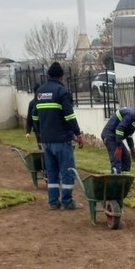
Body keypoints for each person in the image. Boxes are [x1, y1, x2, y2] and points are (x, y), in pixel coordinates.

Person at [32, 62, 85, 210]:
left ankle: (53, 201)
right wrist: (78, 134)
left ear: (48, 75)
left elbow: (34, 117)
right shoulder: (62, 92)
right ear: (62, 77)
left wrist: (41, 133)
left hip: (46, 141)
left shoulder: (40, 92)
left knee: (52, 171)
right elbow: (69, 116)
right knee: (67, 171)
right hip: (61, 140)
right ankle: (67, 202)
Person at [100, 105, 135, 174]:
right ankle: (115, 180)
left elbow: (128, 134)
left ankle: (124, 182)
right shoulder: (131, 115)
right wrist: (119, 147)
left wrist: (132, 149)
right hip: (109, 136)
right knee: (117, 160)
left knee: (126, 159)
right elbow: (119, 129)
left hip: (116, 136)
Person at [25, 84, 41, 149]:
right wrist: (28, 131)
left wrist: (28, 132)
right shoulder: (34, 103)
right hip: (43, 128)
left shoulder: (32, 103)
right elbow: (29, 118)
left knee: (41, 147)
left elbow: (29, 118)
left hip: (37, 129)